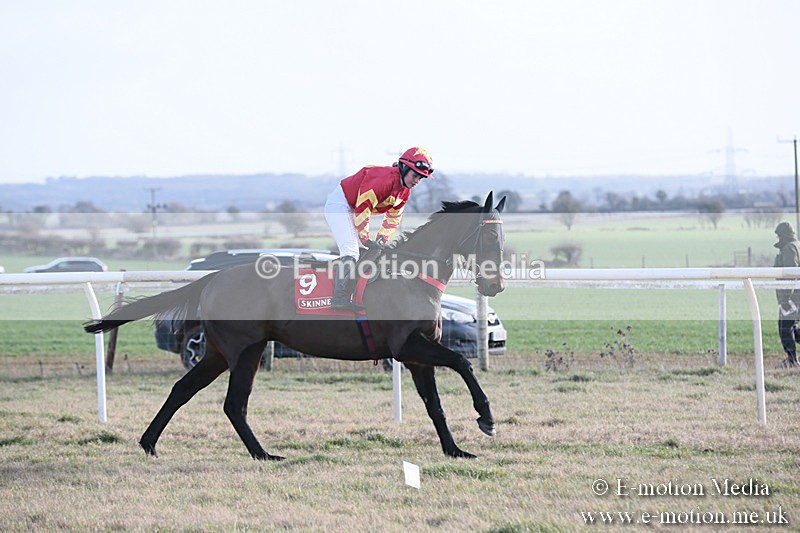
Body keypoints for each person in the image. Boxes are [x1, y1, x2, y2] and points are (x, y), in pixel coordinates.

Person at [323, 147, 434, 310]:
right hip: (340, 204)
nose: (417, 180)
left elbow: (393, 218)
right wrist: (366, 239)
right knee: (351, 250)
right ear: (404, 168)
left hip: (353, 207)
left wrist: (382, 240)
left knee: (368, 252)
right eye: (415, 175)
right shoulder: (384, 180)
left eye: (421, 178)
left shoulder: (404, 192)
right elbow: (363, 209)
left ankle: (355, 293)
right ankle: (338, 298)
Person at [773, 221, 800, 368]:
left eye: (778, 235)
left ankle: (792, 361)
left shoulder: (789, 248)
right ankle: (792, 359)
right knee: (791, 327)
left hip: (793, 296)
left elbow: (791, 273)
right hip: (796, 295)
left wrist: (786, 298)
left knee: (785, 328)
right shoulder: (796, 245)